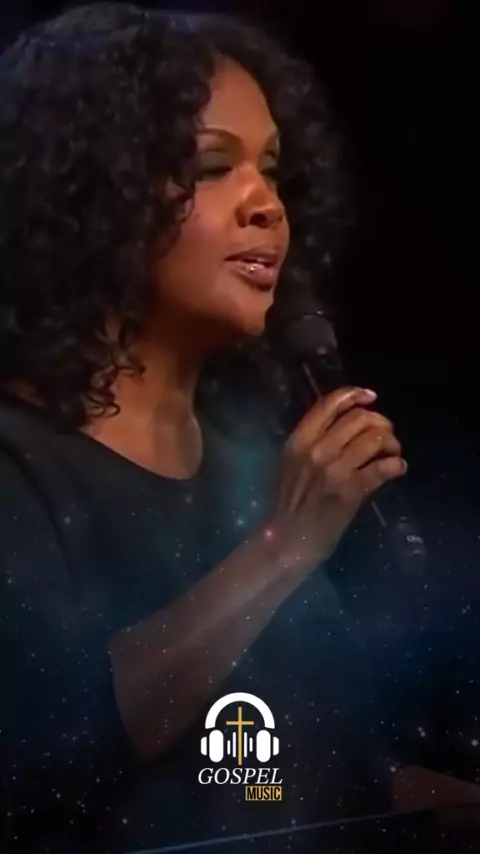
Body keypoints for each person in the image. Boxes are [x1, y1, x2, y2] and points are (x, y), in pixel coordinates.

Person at [0, 5, 409, 852]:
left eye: (273, 170)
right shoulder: (19, 464)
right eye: (214, 167)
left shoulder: (256, 469)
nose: (268, 206)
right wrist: (286, 546)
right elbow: (47, 744)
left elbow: (311, 776)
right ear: (96, 195)